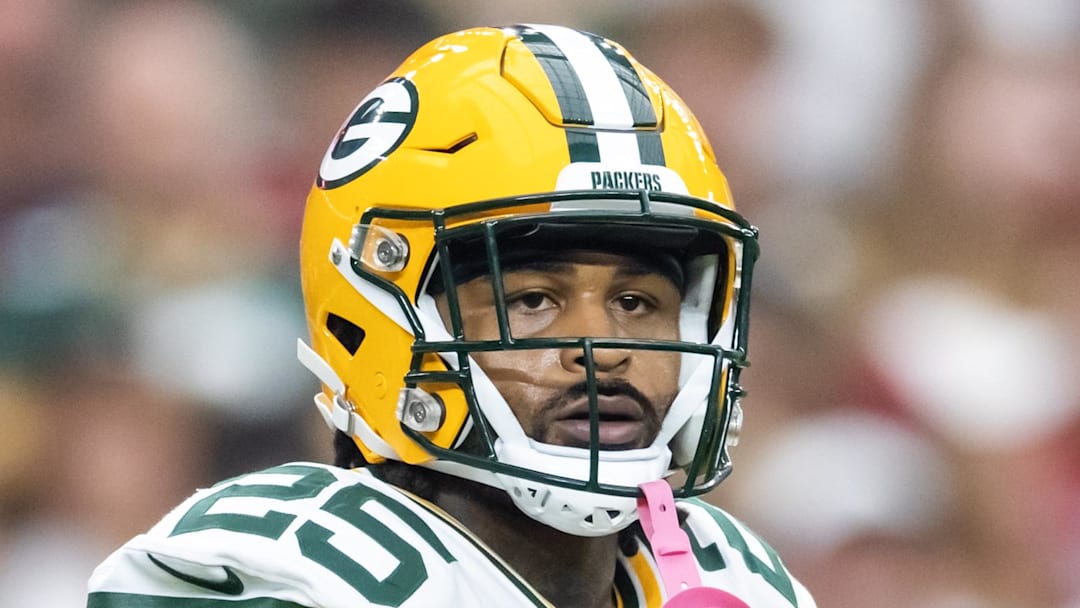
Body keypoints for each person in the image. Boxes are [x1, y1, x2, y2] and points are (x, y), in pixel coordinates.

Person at [86, 24, 816, 608]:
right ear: (388, 319)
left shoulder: (738, 578)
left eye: (636, 302)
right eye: (534, 301)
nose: (605, 349)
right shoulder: (293, 573)